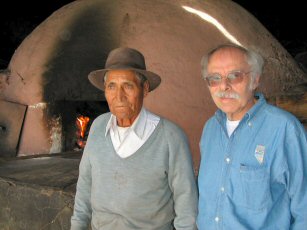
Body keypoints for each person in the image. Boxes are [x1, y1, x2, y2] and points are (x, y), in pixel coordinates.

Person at [70, 47, 198, 230]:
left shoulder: (170, 136)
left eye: (128, 86)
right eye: (111, 86)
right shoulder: (98, 127)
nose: (119, 96)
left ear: (144, 89)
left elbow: (187, 205)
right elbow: (84, 185)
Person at [197, 44, 307, 229]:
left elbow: (304, 207)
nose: (224, 86)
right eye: (214, 79)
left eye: (235, 75)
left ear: (255, 80)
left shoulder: (284, 129)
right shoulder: (210, 129)